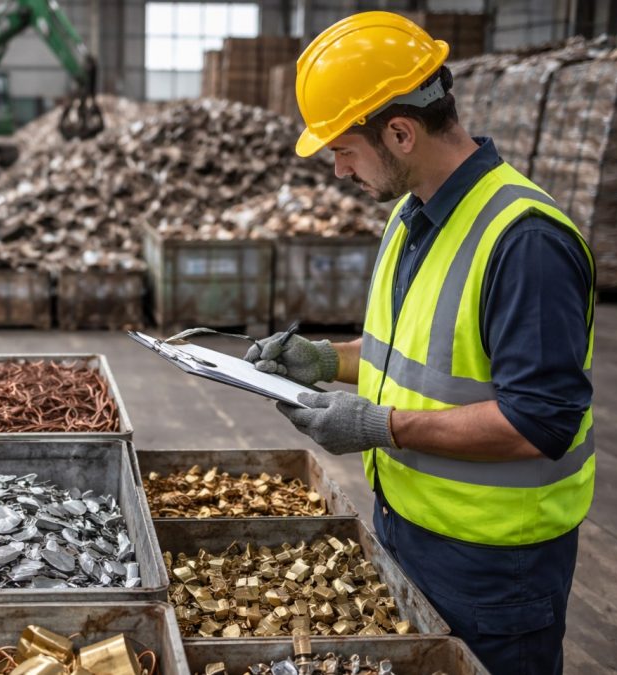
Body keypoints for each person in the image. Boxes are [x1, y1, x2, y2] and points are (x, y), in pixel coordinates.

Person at [245, 12, 594, 675]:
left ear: (400, 132)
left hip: (495, 562)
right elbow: (407, 357)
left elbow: (541, 422)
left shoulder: (526, 242)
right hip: (410, 525)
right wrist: (323, 358)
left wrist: (381, 426)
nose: (341, 172)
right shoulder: (415, 215)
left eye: (343, 150)